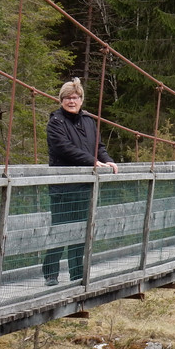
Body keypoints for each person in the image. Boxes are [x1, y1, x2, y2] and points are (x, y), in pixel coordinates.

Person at [43, 77, 119, 287]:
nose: (71, 101)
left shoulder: (88, 121)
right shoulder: (55, 123)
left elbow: (98, 146)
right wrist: (93, 161)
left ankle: (77, 274)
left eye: (75, 97)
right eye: (67, 98)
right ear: (61, 100)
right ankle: (51, 274)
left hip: (85, 186)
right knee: (60, 230)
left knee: (80, 231)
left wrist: (108, 161)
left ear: (81, 100)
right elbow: (65, 149)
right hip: (62, 187)